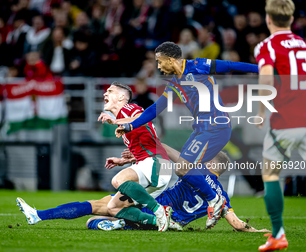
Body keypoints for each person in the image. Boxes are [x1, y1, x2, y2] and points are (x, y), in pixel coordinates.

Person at [116, 41, 258, 229]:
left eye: (160, 62)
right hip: (200, 130)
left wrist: (261, 69)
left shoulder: (200, 66)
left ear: (169, 59)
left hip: (216, 126)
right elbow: (155, 109)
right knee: (186, 169)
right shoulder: (174, 84)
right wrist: (131, 125)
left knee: (182, 168)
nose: (158, 66)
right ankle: (216, 202)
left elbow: (230, 66)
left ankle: (215, 200)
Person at [16, 146, 269, 233]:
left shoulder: (196, 171)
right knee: (99, 214)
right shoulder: (221, 196)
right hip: (171, 222)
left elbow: (178, 162)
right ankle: (121, 223)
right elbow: (236, 223)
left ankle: (38, 216)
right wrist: (257, 230)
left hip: (156, 209)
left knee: (98, 209)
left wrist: (155, 144)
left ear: (213, 164)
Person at [254, 0, 306, 251]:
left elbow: (266, 79)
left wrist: (262, 110)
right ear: (292, 19)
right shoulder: (303, 44)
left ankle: (278, 234)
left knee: (270, 173)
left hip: (285, 119)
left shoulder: (267, 46)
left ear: (268, 19)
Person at [97, 82, 172, 231]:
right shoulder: (123, 121)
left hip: (158, 163)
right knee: (114, 207)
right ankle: (162, 222)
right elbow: (148, 139)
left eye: (110, 91)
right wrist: (125, 160)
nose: (105, 94)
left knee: (118, 180)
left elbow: (141, 118)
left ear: (121, 97)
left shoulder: (129, 109)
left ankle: (159, 211)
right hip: (152, 166)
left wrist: (116, 121)